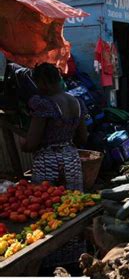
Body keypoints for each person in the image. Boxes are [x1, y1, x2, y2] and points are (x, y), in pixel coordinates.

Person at [21, 63, 88, 191]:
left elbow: (32, 144)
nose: (37, 87)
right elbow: (83, 138)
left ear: (43, 83)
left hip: (47, 164)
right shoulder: (77, 102)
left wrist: (24, 145)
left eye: (37, 83)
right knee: (74, 204)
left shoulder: (44, 104)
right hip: (72, 161)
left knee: (47, 205)